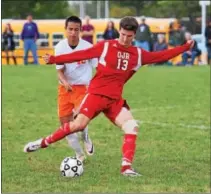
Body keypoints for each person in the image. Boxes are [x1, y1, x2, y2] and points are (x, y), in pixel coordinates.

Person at [24, 16, 194, 177]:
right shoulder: (105, 46)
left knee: (132, 126)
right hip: (96, 95)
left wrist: (185, 47)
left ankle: (126, 168)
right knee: (78, 125)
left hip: (114, 100)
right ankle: (43, 142)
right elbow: (81, 55)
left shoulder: (138, 54)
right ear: (118, 31)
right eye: (122, 34)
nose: (125, 39)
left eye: (129, 36)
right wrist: (54, 59)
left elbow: (161, 56)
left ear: (134, 35)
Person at [54, 16, 97, 161]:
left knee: (80, 119)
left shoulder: (88, 47)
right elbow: (59, 71)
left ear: (80, 30)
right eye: (70, 29)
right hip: (65, 89)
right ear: (66, 30)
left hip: (83, 88)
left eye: (76, 30)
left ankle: (85, 136)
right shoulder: (60, 47)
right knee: (65, 126)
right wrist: (65, 82)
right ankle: (79, 154)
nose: (73, 32)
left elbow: (97, 67)